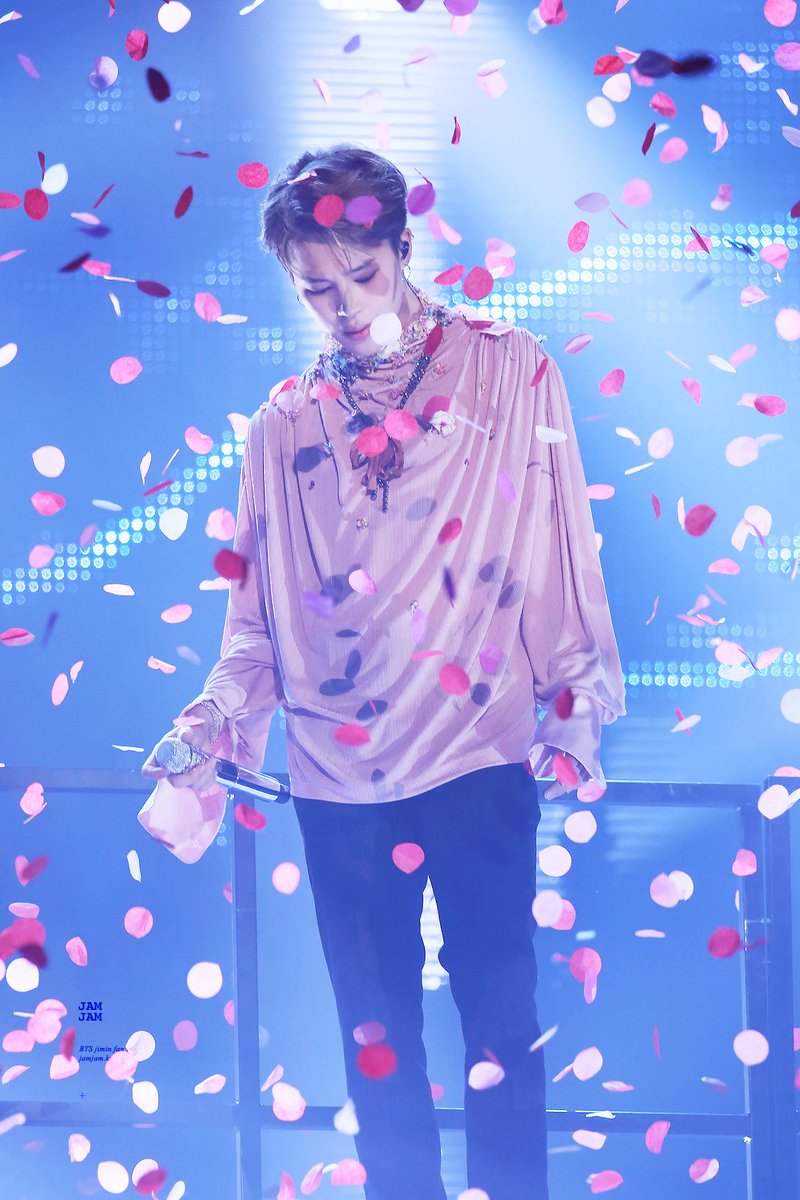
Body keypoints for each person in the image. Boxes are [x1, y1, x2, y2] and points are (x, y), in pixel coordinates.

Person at [141, 143, 627, 1200]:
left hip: (477, 752)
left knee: (501, 1025)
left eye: (359, 274)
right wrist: (211, 717)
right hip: (338, 777)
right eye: (315, 288)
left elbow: (558, 554)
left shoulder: (509, 367)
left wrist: (573, 701)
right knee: (376, 1046)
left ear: (402, 248)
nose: (342, 305)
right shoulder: (283, 424)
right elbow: (255, 625)